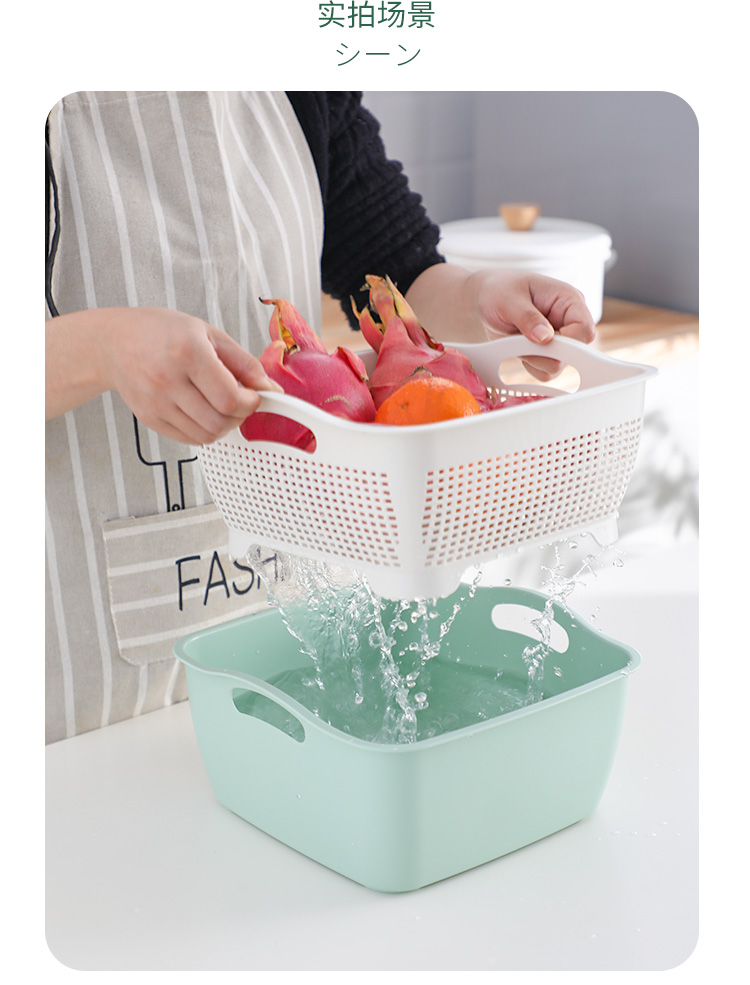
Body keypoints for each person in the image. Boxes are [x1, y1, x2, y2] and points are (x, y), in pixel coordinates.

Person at [45, 91, 595, 744]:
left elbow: (397, 267)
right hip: (78, 686)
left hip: (297, 601)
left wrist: (480, 296)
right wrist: (101, 348)